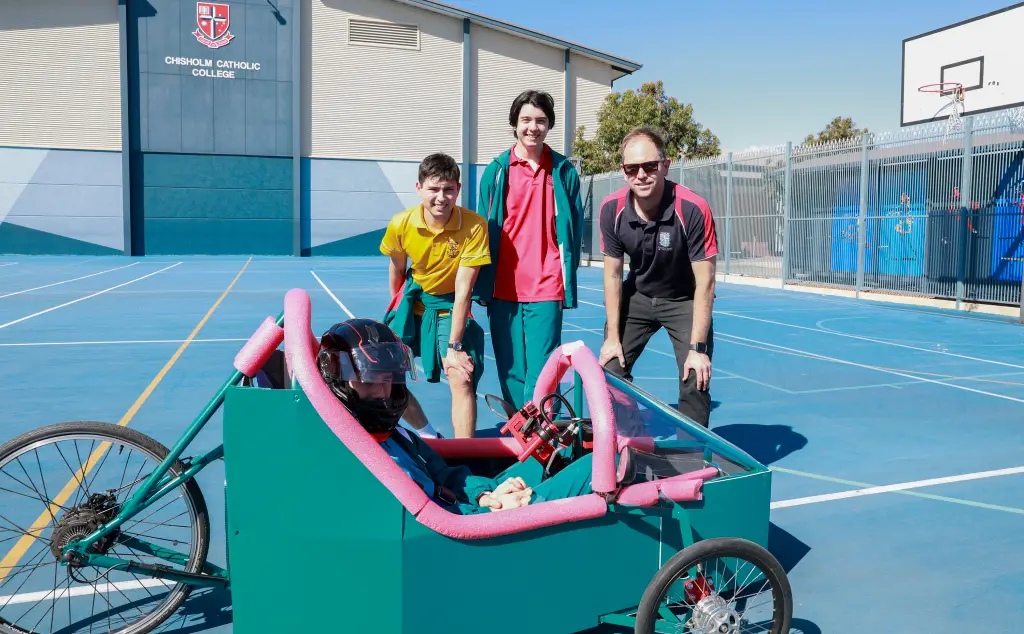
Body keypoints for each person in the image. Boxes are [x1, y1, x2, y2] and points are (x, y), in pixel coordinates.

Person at [316, 318, 596, 514]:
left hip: (468, 508)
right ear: (339, 381)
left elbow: (443, 473)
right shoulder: (362, 456)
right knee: (599, 467)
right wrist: (492, 508)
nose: (382, 392)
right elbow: (427, 517)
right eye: (369, 381)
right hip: (462, 531)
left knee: (565, 452)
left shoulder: (394, 435)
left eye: (388, 380)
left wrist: (485, 494)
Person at [597, 127, 719, 428]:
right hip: (638, 295)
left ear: (665, 165)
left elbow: (706, 282)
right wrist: (612, 338)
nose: (641, 175)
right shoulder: (612, 209)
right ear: (623, 171)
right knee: (610, 368)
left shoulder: (692, 209)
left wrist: (698, 349)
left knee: (695, 374)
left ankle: (691, 452)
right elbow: (612, 275)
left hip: (684, 298)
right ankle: (632, 441)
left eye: (650, 166)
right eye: (632, 168)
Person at [474, 89, 585, 410]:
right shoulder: (496, 171)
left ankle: (541, 430)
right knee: (510, 370)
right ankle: (522, 428)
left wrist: (567, 276)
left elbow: (575, 229)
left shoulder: (563, 171)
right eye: (526, 120)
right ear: (515, 123)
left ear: (549, 124)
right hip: (503, 286)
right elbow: (483, 228)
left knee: (544, 369)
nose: (532, 127)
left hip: (547, 284)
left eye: (540, 120)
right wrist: (481, 282)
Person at [380, 153, 490, 438]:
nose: (441, 197)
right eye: (433, 189)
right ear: (419, 188)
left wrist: (455, 347)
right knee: (384, 377)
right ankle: (429, 435)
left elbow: (464, 291)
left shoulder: (474, 226)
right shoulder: (401, 224)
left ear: (458, 189)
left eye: (448, 189)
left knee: (461, 375)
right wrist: (398, 316)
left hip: (450, 306)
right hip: (414, 301)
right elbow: (397, 273)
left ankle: (464, 454)